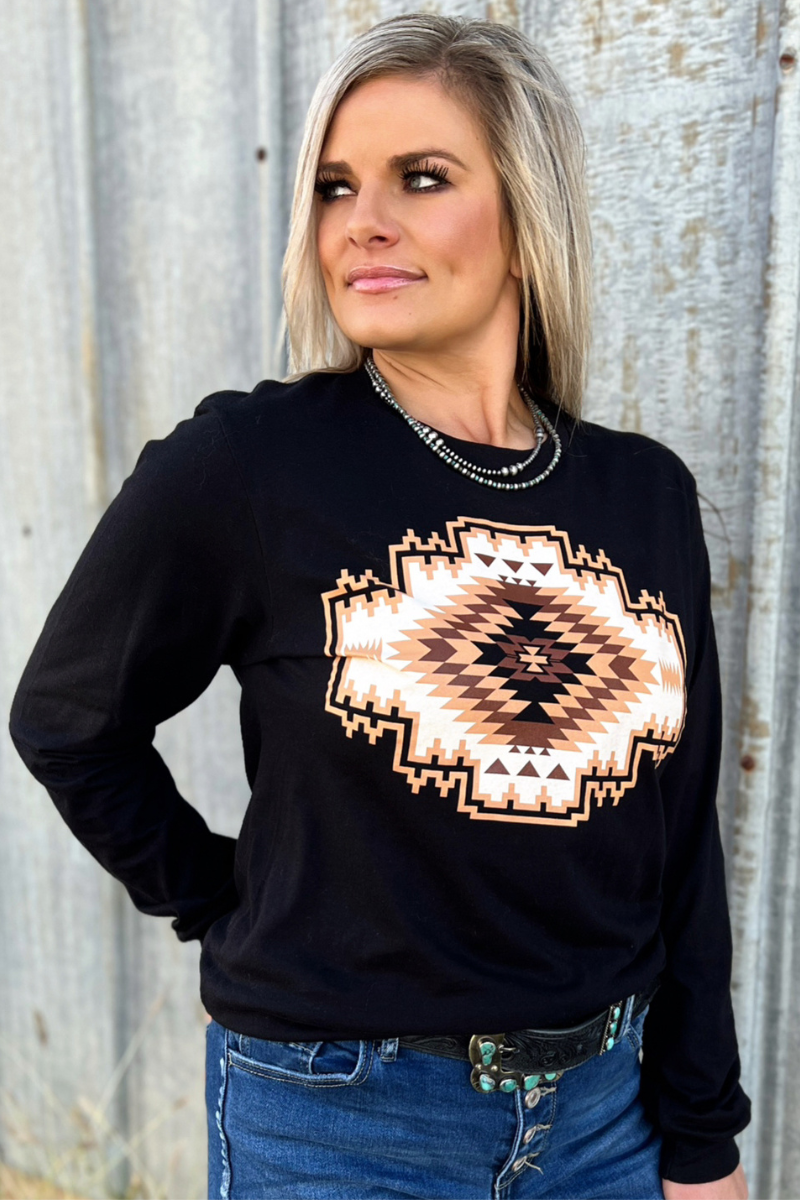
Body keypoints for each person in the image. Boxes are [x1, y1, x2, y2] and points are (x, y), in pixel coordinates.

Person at [8, 12, 752, 1200]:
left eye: (422, 177)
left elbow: (678, 835)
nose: (361, 220)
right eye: (334, 187)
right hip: (337, 1127)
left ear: (526, 218)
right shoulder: (251, 466)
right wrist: (225, 902)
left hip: (603, 1128)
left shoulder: (642, 495)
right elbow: (68, 720)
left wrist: (702, 1132)